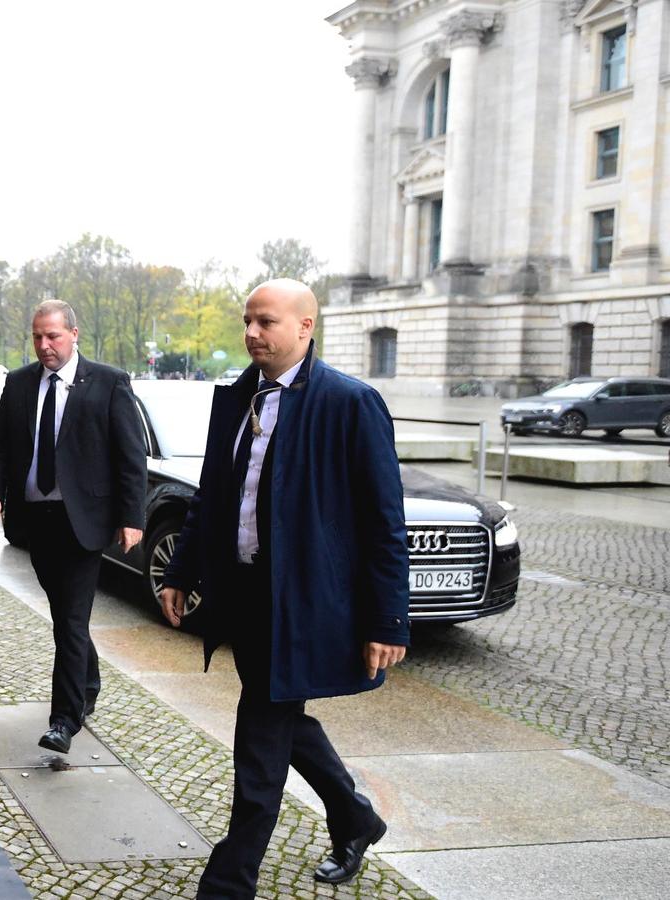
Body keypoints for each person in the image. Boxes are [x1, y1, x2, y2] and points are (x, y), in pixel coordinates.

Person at [158, 279, 408, 898]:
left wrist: (388, 620)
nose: (251, 334)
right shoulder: (236, 398)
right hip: (242, 595)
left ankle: (228, 881)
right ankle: (357, 817)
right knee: (282, 715)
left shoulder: (350, 403)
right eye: (247, 321)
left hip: (300, 603)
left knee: (261, 738)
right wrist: (180, 572)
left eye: (265, 322)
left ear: (304, 326)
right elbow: (213, 498)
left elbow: (384, 522)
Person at [0, 300, 148, 753]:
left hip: (85, 523)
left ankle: (64, 720)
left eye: (52, 336)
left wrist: (133, 517)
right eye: (37, 336)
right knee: (66, 618)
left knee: (71, 621)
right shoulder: (18, 384)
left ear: (74, 334)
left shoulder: (108, 382)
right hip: (36, 522)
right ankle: (88, 682)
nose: (44, 345)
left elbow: (130, 455)